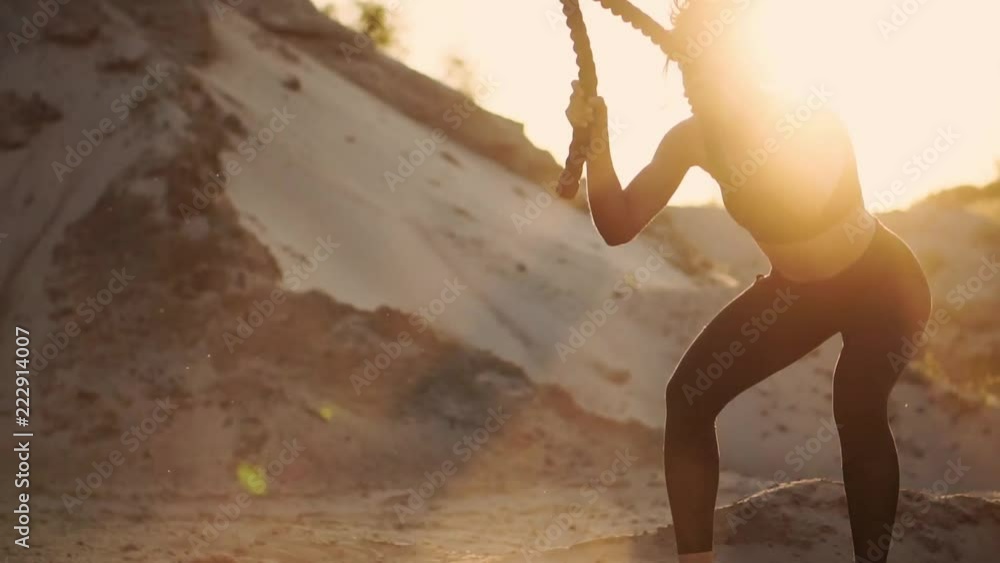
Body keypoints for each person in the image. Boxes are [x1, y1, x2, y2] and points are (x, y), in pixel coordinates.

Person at [564, 1, 932, 561]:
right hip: (800, 293)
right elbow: (617, 224)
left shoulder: (810, 114)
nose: (689, 83)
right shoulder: (692, 139)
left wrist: (734, 131)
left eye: (701, 65)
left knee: (856, 406)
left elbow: (800, 207)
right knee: (687, 397)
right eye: (683, 69)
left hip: (882, 284)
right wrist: (598, 141)